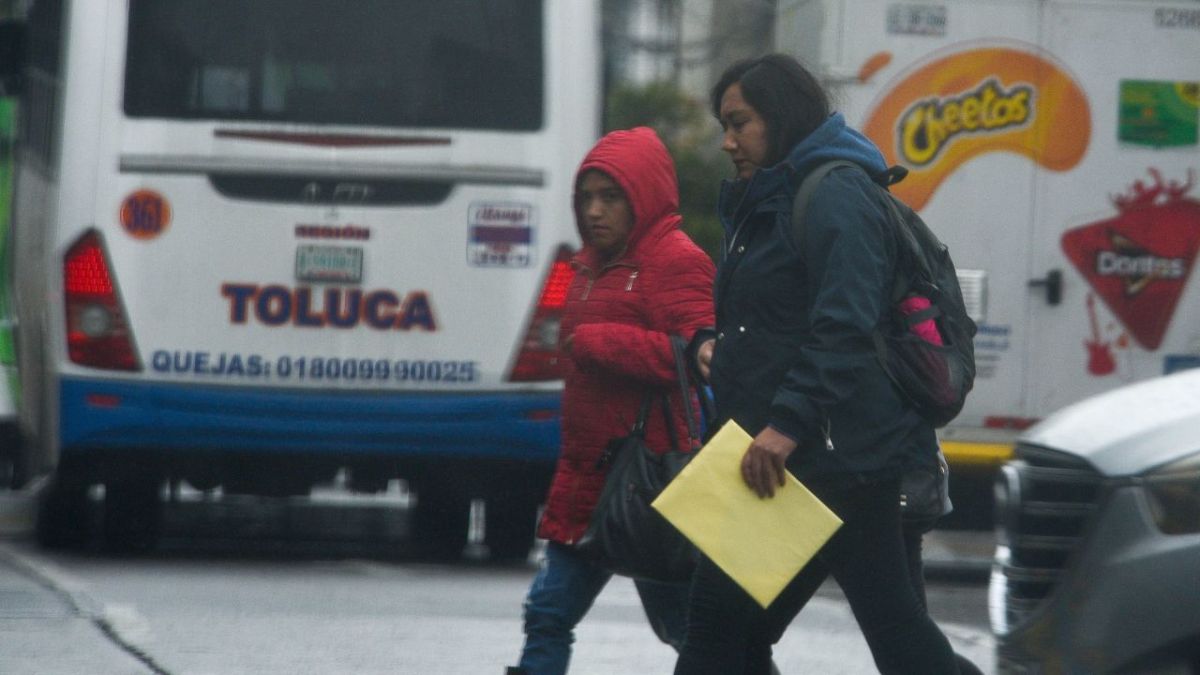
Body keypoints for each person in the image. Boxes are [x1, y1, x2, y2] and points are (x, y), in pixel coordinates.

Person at [673, 53, 965, 674]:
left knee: (715, 635)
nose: (728, 141)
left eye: (739, 122)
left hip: (823, 457)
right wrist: (712, 345)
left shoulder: (833, 193)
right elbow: (778, 319)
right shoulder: (775, 195)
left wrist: (786, 424)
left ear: (780, 117)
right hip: (801, 457)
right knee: (890, 636)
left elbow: (846, 323)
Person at [506, 127, 716, 675]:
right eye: (587, 197)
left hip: (651, 481)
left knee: (691, 635)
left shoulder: (676, 260)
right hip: (586, 478)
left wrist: (603, 343)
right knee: (547, 613)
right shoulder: (587, 265)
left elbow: (702, 356)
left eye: (611, 196)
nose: (595, 211)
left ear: (642, 194)